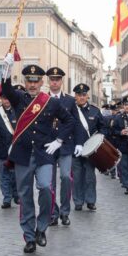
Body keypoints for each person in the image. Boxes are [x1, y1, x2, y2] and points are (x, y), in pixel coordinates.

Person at [0, 61, 76, 254]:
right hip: (22, 155)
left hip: (44, 155)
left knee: (45, 188)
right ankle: (29, 237)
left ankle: (41, 227)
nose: (32, 85)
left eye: (36, 81)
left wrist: (59, 140)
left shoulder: (51, 102)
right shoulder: (18, 99)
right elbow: (6, 88)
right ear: (25, 82)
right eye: (29, 81)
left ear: (42, 82)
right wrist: (6, 69)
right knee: (25, 196)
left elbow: (69, 121)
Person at [46, 66, 81, 227]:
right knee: (49, 182)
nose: (54, 82)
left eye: (57, 79)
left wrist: (79, 142)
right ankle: (53, 212)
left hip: (66, 145)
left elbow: (77, 123)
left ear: (61, 81)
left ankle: (65, 212)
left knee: (66, 177)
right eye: (52, 80)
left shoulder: (69, 100)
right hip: (47, 146)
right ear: (48, 81)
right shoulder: (42, 99)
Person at [71, 83, 106, 211]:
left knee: (90, 176)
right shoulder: (71, 110)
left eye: (83, 95)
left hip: (91, 151)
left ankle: (90, 201)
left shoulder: (95, 111)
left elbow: (103, 128)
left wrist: (98, 141)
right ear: (75, 96)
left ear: (87, 96)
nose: (81, 97)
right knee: (77, 177)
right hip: (75, 149)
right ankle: (78, 201)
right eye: (79, 95)